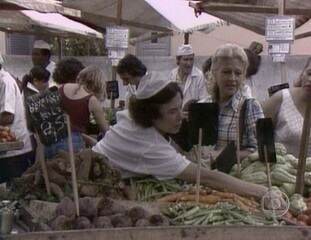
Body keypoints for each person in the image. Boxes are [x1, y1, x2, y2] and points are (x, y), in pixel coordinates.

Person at [92, 72, 268, 199]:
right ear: (151, 115)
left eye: (180, 107)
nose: (180, 117)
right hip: (93, 185)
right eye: (172, 112)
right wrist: (261, 192)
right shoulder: (149, 145)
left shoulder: (133, 119)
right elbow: (206, 177)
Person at [203, 43, 264, 160]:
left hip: (234, 176)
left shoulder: (250, 106)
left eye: (238, 73)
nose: (232, 78)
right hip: (204, 175)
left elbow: (261, 151)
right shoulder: (203, 105)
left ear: (243, 76)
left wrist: (223, 156)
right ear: (214, 72)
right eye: (226, 72)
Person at [44, 65, 109, 159]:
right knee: (73, 171)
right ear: (99, 84)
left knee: (53, 171)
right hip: (73, 144)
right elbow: (105, 131)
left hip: (50, 141)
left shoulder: (62, 88)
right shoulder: (91, 100)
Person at [262, 57, 311, 157]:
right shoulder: (281, 98)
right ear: (302, 74)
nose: (310, 79)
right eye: (310, 73)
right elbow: (259, 140)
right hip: (280, 170)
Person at [0, 53, 33, 183]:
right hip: (7, 148)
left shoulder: (4, 81)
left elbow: (8, 117)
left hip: (14, 151)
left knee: (12, 190)